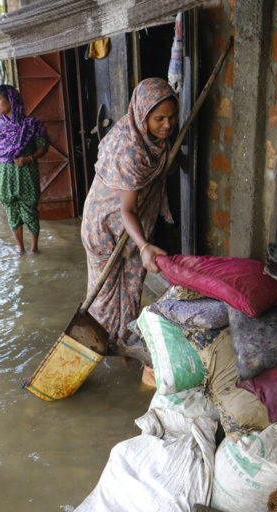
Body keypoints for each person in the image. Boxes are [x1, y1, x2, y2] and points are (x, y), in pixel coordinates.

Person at [81, 77, 178, 346]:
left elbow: (161, 170)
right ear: (142, 114)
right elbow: (127, 209)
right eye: (159, 119)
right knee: (106, 299)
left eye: (171, 117)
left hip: (135, 227)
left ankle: (126, 348)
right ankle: (99, 350)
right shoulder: (129, 148)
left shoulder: (154, 139)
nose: (167, 125)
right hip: (105, 229)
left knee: (132, 292)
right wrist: (145, 244)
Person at [0, 84, 48, 254]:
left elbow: (43, 147)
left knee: (30, 211)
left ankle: (34, 249)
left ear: (11, 99)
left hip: (26, 175)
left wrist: (29, 158)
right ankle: (20, 249)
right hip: (3, 177)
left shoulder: (32, 124)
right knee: (12, 213)